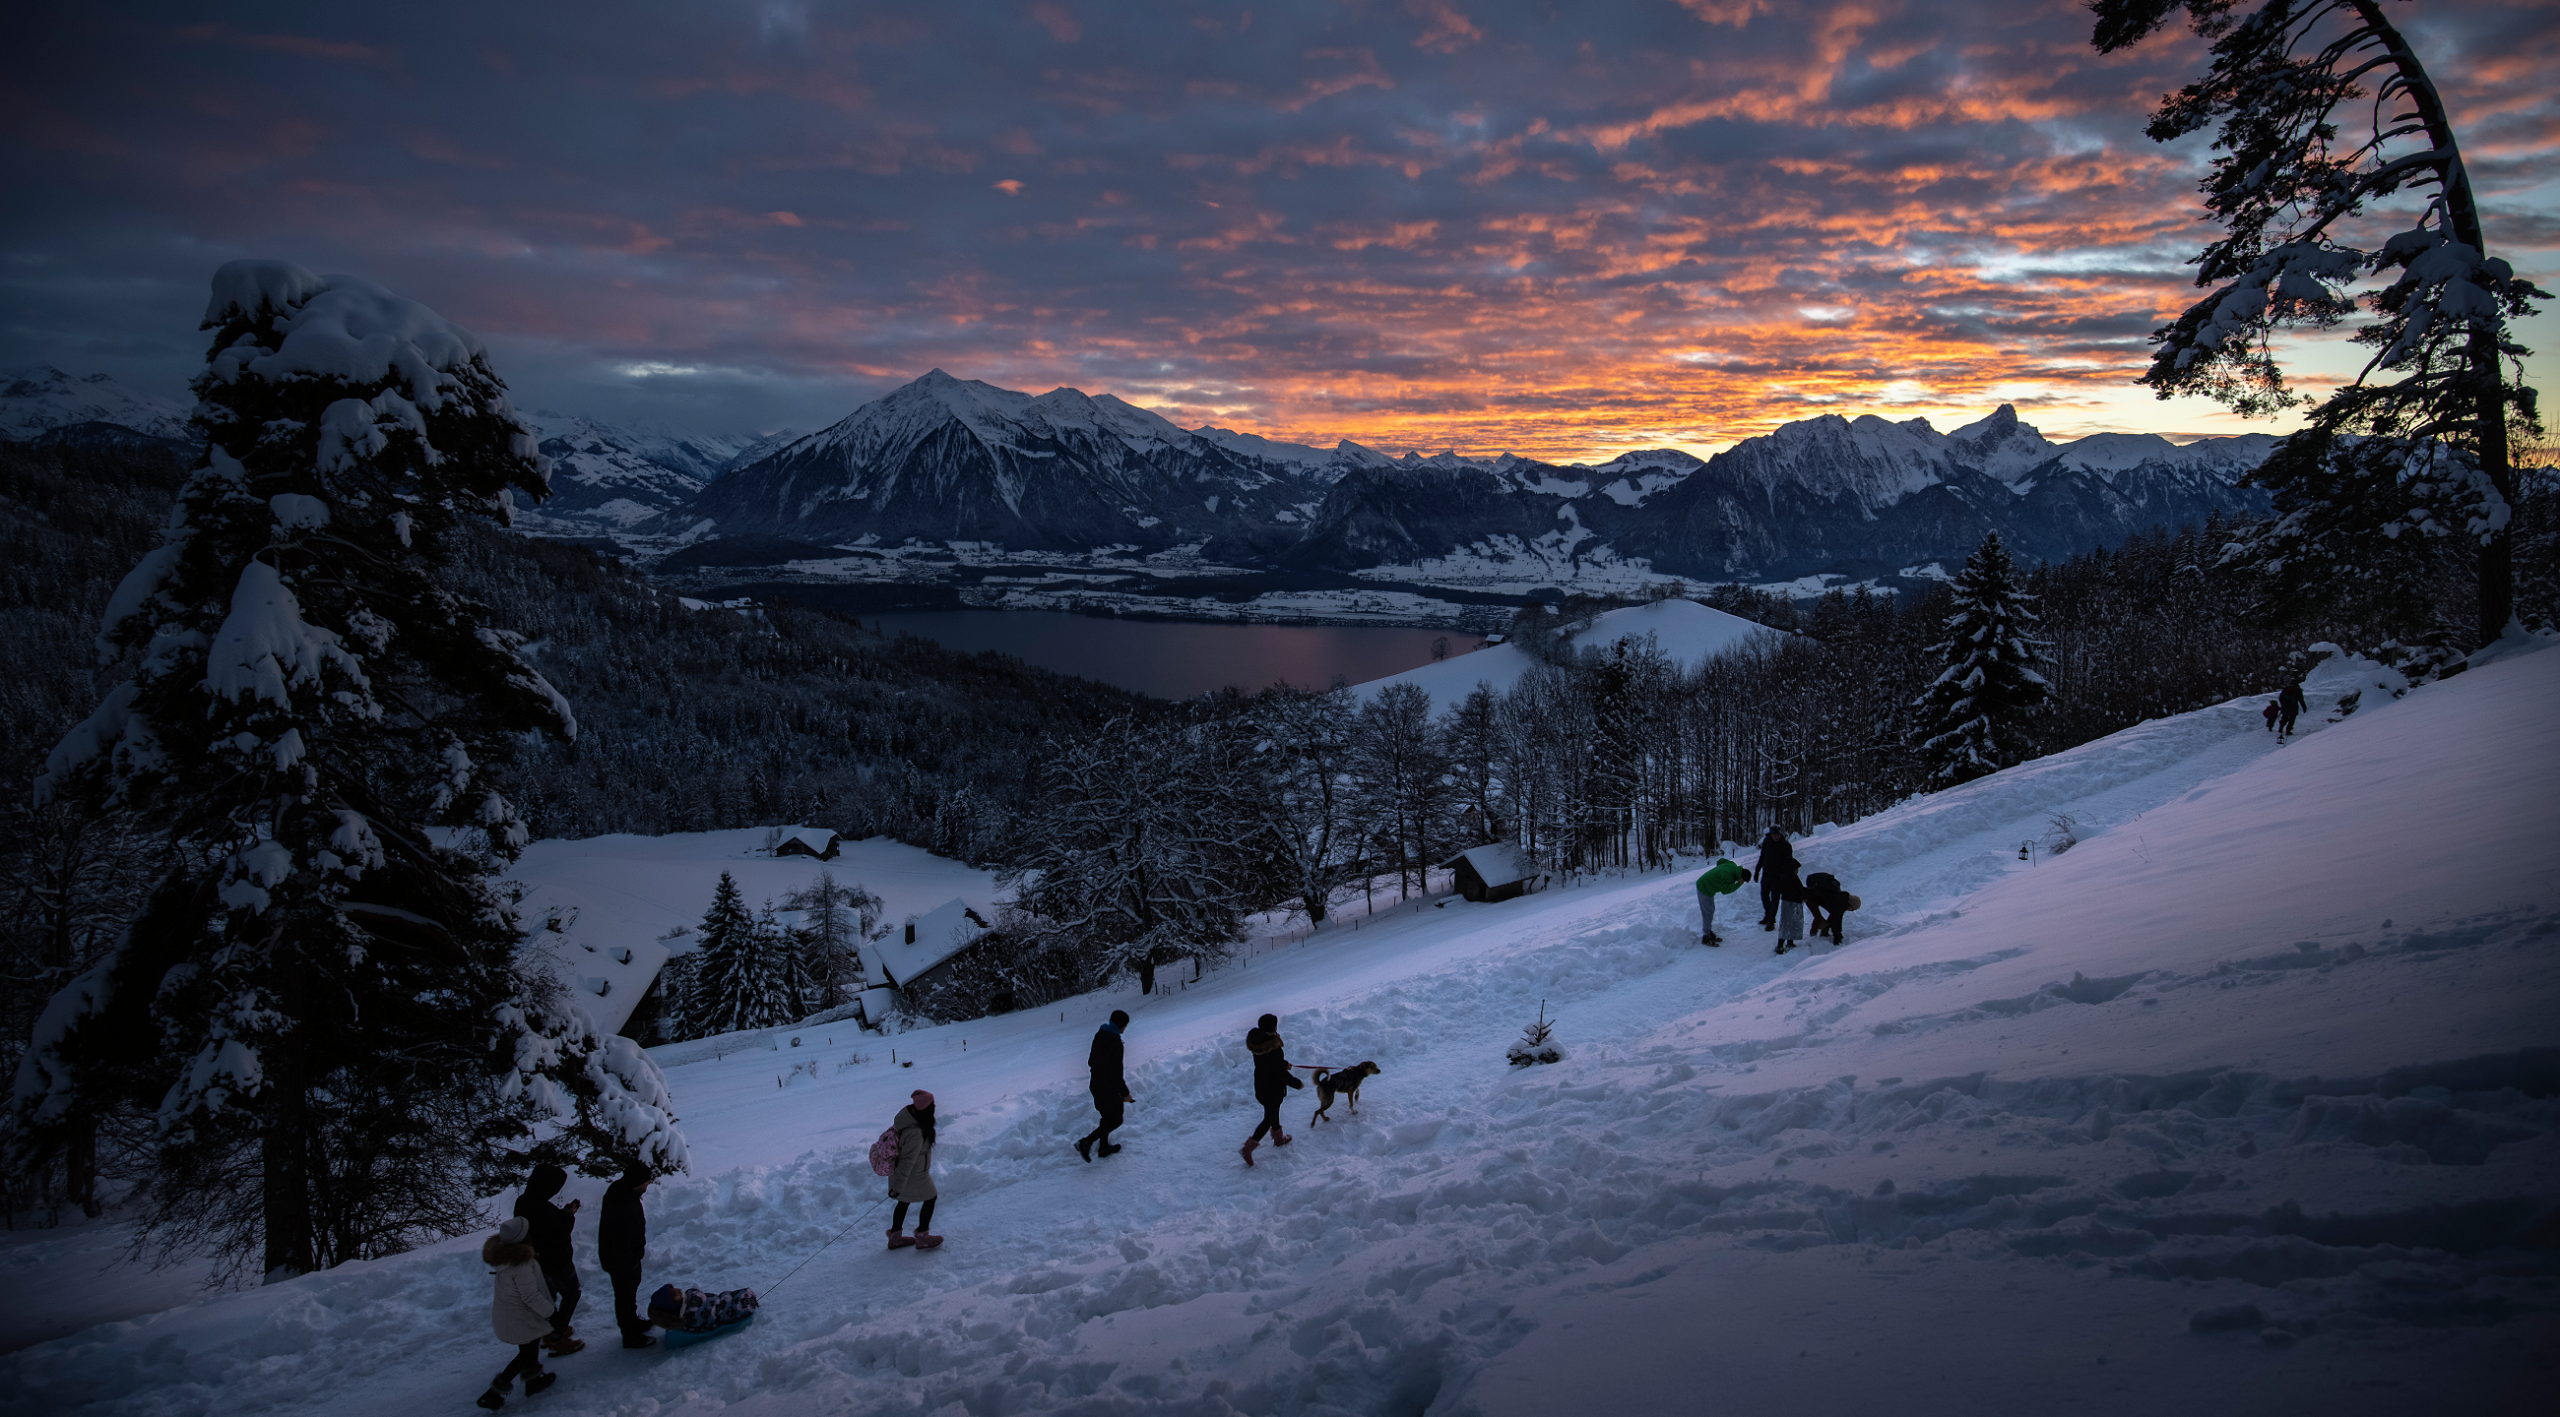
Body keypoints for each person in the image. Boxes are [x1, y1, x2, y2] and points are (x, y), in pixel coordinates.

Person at [478, 1216, 558, 1410]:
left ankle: (533, 1381)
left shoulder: (504, 1257)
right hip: (520, 1318)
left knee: (530, 1346)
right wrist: (551, 1313)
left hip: (512, 1315)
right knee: (526, 1352)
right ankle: (492, 1394)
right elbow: (530, 1297)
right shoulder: (521, 1264)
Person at [512, 1163, 583, 1356]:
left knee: (548, 1298)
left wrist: (562, 1214)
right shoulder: (544, 1208)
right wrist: (570, 1217)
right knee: (571, 1294)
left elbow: (543, 1226)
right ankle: (557, 1338)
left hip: (538, 1262)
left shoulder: (523, 1202)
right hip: (557, 1262)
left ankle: (549, 1331)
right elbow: (559, 1232)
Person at [596, 1160, 655, 1349]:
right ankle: (629, 1335)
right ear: (638, 1182)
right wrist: (630, 1262)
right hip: (622, 1261)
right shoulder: (625, 1204)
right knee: (624, 1296)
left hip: (624, 1258)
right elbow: (620, 1240)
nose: (649, 1184)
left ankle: (632, 1321)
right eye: (647, 1181)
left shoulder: (622, 1191)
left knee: (629, 1294)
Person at [1240, 1012, 1303, 1167]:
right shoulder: (1274, 1048)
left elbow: (1269, 1063)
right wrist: (1296, 1083)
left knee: (1273, 1111)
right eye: (1275, 1024)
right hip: (1272, 1088)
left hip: (1261, 1084)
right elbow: (1281, 1074)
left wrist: (1283, 1063)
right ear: (1272, 1028)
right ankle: (1248, 1148)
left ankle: (1278, 1138)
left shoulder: (1259, 1043)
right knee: (1269, 1117)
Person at [886, 1090, 941, 1250]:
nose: (935, 1106)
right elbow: (907, 1161)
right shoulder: (915, 1131)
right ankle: (923, 1236)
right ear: (926, 1108)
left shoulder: (910, 1118)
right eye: (932, 1104)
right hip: (914, 1174)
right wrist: (898, 1186)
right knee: (930, 1198)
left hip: (912, 1172)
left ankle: (895, 1237)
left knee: (904, 1201)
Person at [1076, 1010, 1133, 1162]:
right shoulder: (1115, 1043)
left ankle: (1103, 1147)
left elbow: (1090, 1061)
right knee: (1116, 1120)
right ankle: (1086, 1142)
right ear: (1122, 1026)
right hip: (1108, 1089)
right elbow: (1116, 1074)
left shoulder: (1100, 1034)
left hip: (1095, 1085)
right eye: (1126, 1025)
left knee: (1107, 1117)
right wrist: (1125, 1094)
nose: (1126, 1028)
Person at [1754, 828, 1801, 932]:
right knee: (1764, 896)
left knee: (1775, 899)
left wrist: (1788, 876)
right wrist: (1757, 870)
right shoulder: (1767, 842)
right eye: (1774, 835)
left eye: (1778, 835)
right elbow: (1762, 857)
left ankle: (1771, 921)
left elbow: (1789, 862)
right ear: (1770, 835)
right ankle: (1768, 915)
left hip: (1778, 876)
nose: (1776, 837)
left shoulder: (1786, 846)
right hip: (1766, 874)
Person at [1695, 856, 1749, 946]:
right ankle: (1705, 937)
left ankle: (1708, 931)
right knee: (1708, 913)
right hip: (1704, 887)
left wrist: (1717, 874)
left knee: (1711, 910)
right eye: (1743, 881)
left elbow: (1721, 861)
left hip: (1708, 885)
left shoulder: (1732, 865)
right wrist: (1738, 884)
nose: (1742, 882)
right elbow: (1725, 890)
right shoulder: (1728, 876)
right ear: (1742, 878)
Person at [1803, 871, 1857, 946]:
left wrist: (1839, 932)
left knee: (1829, 918)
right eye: (1853, 908)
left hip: (1817, 897)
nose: (1852, 911)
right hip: (1810, 897)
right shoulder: (1838, 901)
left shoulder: (1843, 902)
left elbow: (1838, 917)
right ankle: (1813, 937)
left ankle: (1823, 932)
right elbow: (1833, 919)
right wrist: (1836, 935)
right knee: (1818, 917)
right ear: (1851, 904)